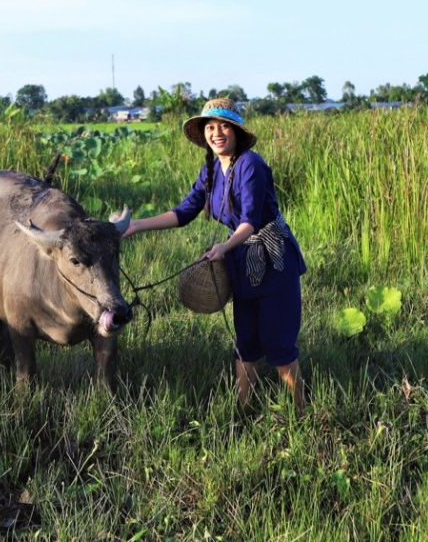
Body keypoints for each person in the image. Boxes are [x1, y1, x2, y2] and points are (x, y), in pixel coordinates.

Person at [113, 98, 307, 412]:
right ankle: (243, 409)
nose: (217, 133)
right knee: (246, 342)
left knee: (278, 343)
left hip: (273, 260)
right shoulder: (212, 170)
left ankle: (301, 409)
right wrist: (135, 225)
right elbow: (183, 212)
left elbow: (251, 220)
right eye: (210, 127)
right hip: (241, 260)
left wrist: (224, 247)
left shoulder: (250, 165)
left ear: (236, 132)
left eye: (224, 126)